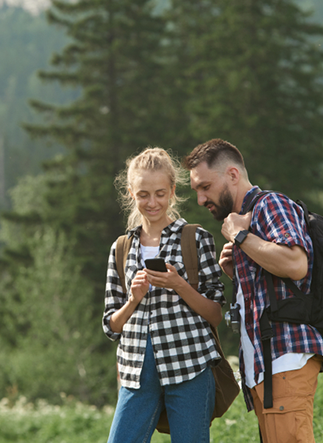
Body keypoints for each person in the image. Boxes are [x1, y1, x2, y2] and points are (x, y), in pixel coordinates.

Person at [184, 139, 323, 443]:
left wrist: (240, 236)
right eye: (197, 190)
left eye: (205, 186)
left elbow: (297, 263)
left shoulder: (269, 205)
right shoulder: (246, 219)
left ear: (233, 175)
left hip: (284, 360)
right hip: (266, 368)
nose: (200, 198)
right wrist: (236, 270)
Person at [103, 147, 226, 443]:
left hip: (189, 365)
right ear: (131, 193)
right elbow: (111, 326)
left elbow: (215, 313)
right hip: (135, 371)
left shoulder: (195, 239)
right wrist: (133, 299)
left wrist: (179, 284)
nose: (152, 202)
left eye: (160, 193)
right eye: (143, 194)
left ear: (172, 191)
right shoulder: (121, 248)